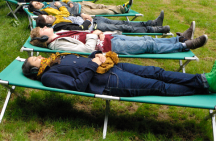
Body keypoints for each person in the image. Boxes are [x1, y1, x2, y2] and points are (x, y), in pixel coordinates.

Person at [22, 51, 216, 97]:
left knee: (157, 72)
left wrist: (96, 55)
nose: (39, 57)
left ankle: (201, 80)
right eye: (36, 60)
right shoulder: (48, 76)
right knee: (158, 86)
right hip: (108, 81)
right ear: (34, 70)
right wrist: (93, 63)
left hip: (112, 67)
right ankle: (204, 86)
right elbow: (78, 86)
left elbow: (81, 62)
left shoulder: (57, 58)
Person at [29, 21, 208, 55]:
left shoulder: (58, 34)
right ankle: (186, 46)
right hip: (109, 48)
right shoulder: (58, 45)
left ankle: (179, 39)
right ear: (43, 39)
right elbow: (86, 50)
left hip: (109, 39)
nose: (45, 27)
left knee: (148, 41)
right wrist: (94, 34)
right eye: (42, 29)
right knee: (148, 46)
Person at [36, 10, 170, 34]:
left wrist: (81, 14)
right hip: (94, 26)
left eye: (46, 15)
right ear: (47, 24)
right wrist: (88, 20)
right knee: (125, 27)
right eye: (46, 18)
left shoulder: (58, 17)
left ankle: (151, 23)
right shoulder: (58, 26)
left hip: (95, 20)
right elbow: (80, 28)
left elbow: (73, 14)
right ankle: (155, 30)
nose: (48, 16)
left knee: (123, 22)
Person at [28, 0, 133, 16]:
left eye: (37, 2)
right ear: (36, 9)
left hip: (79, 4)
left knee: (101, 5)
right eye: (36, 4)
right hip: (80, 10)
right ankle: (123, 9)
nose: (39, 3)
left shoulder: (47, 3)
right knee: (104, 11)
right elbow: (64, 14)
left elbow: (62, 0)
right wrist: (60, 6)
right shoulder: (47, 10)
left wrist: (68, 2)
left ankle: (122, 7)